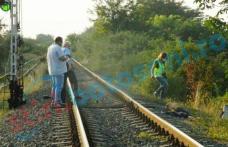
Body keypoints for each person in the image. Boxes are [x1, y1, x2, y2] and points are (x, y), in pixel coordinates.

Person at [47, 36, 67, 108]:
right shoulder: (58, 48)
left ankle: (53, 101)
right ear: (59, 41)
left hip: (52, 70)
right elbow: (61, 58)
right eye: (61, 42)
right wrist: (66, 58)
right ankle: (57, 102)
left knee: (54, 86)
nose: (62, 44)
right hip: (59, 70)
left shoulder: (50, 47)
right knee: (59, 86)